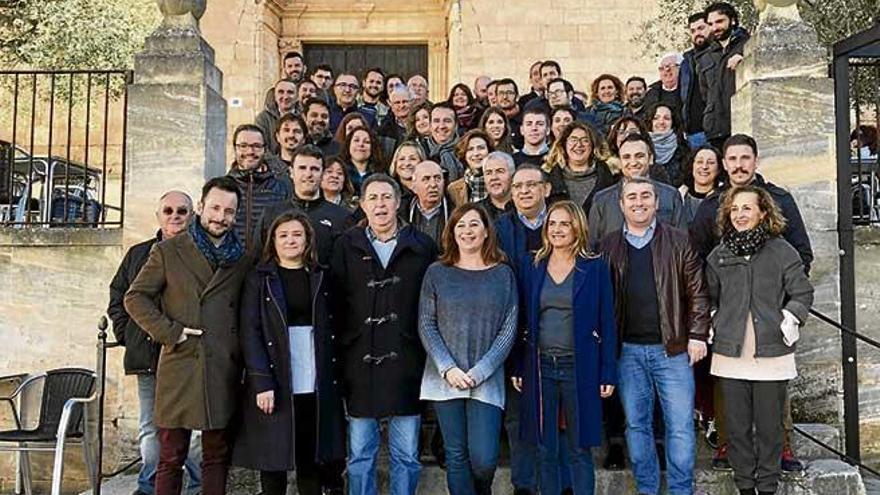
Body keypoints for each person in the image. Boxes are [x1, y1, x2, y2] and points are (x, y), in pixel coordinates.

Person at [687, 134, 813, 473]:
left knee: (775, 383)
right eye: (733, 159)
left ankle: (782, 446)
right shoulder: (710, 207)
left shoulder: (780, 199)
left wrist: (785, 308)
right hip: (727, 314)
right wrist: (711, 310)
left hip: (771, 315)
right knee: (726, 382)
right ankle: (728, 442)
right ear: (724, 164)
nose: (739, 165)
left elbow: (802, 253)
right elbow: (696, 260)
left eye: (745, 158)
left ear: (755, 160)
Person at [124, 177, 251, 495]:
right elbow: (134, 297)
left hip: (223, 364)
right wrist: (170, 332)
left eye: (229, 211)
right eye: (216, 207)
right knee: (170, 457)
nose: (221, 216)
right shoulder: (168, 251)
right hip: (180, 364)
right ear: (202, 207)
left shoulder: (243, 257)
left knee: (217, 455)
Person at [599, 177, 710, 495]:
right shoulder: (606, 247)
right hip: (628, 352)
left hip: (672, 351)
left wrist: (698, 334)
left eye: (646, 195)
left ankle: (680, 490)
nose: (639, 202)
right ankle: (647, 489)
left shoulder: (679, 241)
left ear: (657, 202)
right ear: (621, 205)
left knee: (679, 426)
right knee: (636, 424)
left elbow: (698, 292)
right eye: (631, 197)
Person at [329, 174, 438, 495]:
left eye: (386, 197)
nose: (380, 205)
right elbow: (335, 302)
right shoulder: (345, 245)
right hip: (359, 362)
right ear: (362, 204)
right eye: (373, 198)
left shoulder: (421, 246)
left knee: (406, 454)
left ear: (398, 202)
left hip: (406, 362)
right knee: (361, 454)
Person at [706, 186, 814, 495]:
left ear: (763, 212)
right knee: (737, 430)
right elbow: (708, 295)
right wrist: (714, 320)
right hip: (730, 355)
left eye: (747, 208)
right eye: (735, 209)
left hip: (772, 355)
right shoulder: (719, 255)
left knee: (770, 429)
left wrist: (790, 318)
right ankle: (744, 487)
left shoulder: (782, 251)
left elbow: (802, 292)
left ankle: (767, 487)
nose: (740, 214)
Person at [233, 212, 346, 495]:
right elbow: (250, 331)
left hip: (313, 373)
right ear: (273, 240)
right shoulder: (259, 279)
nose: (290, 240)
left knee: (310, 458)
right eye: (283, 235)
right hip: (275, 374)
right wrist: (262, 382)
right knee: (273, 461)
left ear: (308, 239)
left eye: (297, 234)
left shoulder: (321, 275)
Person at [514, 201, 618, 495]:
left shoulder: (595, 267)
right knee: (545, 449)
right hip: (540, 366)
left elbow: (607, 322)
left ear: (577, 228)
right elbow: (524, 319)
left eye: (564, 224)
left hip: (579, 367)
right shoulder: (532, 265)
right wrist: (520, 366)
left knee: (579, 448)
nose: (557, 230)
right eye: (552, 224)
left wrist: (607, 371)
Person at [418, 204, 518, 495]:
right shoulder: (437, 272)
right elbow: (426, 323)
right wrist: (448, 368)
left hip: (485, 379)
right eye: (460, 225)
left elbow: (509, 329)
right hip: (445, 378)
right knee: (456, 455)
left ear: (486, 231)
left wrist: (480, 371)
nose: (467, 231)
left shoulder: (503, 275)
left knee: (484, 460)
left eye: (474, 225)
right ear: (452, 232)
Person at [108, 191, 202, 495]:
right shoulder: (138, 254)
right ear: (158, 215)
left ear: (192, 215)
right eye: (169, 210)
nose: (175, 216)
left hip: (187, 355)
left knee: (194, 426)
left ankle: (198, 484)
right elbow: (120, 297)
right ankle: (149, 485)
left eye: (182, 211)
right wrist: (127, 334)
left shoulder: (201, 252)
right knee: (151, 425)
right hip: (148, 354)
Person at [494, 164, 550, 495]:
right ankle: (524, 485)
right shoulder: (500, 228)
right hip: (514, 331)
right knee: (517, 417)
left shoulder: (562, 225)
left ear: (545, 189)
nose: (524, 192)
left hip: (557, 331)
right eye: (518, 187)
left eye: (531, 185)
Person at [256, 145, 351, 265]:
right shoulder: (272, 214)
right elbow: (258, 259)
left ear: (322, 174)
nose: (308, 174)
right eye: (302, 168)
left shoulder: (342, 217)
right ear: (291, 172)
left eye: (314, 169)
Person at [589, 134, 686, 243]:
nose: (633, 162)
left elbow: (682, 243)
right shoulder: (602, 200)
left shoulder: (671, 196)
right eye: (626, 157)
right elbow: (593, 247)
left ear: (650, 159)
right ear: (620, 162)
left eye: (639, 156)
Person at [226, 124, 292, 251]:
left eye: (256, 146)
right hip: (231, 265)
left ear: (265, 150)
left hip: (267, 265)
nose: (250, 152)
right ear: (235, 149)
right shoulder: (221, 187)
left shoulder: (282, 187)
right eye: (243, 146)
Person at [697, 2, 751, 150]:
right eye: (711, 23)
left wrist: (746, 60)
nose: (715, 27)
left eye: (719, 21)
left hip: (742, 122)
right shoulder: (704, 58)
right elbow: (705, 94)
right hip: (715, 129)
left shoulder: (749, 45)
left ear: (732, 20)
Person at [544, 121, 617, 214]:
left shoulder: (608, 179)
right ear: (564, 144)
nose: (579, 145)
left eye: (585, 140)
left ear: (593, 145)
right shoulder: (549, 179)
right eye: (573, 140)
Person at [681, 12, 712, 148]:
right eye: (693, 30)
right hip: (693, 132)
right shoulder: (687, 61)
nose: (697, 33)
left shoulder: (721, 54)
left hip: (715, 130)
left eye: (701, 28)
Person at [406, 160, 450, 244]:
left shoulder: (454, 211)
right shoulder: (403, 213)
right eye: (426, 179)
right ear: (414, 186)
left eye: (438, 178)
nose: (433, 184)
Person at [647, 102, 690, 188]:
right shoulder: (643, 147)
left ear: (673, 123)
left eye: (666, 118)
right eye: (656, 118)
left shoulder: (683, 149)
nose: (661, 122)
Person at [447, 129, 493, 207]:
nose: (476, 153)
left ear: (489, 151)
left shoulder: (502, 183)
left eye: (481, 148)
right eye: (470, 149)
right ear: (464, 155)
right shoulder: (453, 189)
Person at [681, 145, 724, 224]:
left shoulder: (725, 197)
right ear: (692, 165)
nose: (704, 167)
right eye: (700, 162)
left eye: (711, 163)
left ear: (719, 169)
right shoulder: (678, 197)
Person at [422, 103, 464, 182]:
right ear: (430, 126)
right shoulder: (420, 151)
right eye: (436, 121)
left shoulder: (466, 150)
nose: (441, 126)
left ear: (456, 126)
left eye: (447, 121)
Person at [339, 126, 386, 195]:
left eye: (367, 142)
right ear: (348, 145)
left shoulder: (382, 175)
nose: (361, 144)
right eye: (356, 140)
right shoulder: (339, 171)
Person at [257, 79, 298, 155]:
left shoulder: (304, 116)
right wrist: (278, 165)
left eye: (290, 92)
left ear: (297, 97)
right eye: (281, 92)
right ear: (275, 96)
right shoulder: (263, 118)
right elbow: (260, 146)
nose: (285, 97)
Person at [642, 53, 685, 124]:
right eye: (662, 68)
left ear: (681, 68)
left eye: (670, 67)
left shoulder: (689, 90)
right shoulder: (651, 93)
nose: (666, 71)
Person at [478, 151, 516, 221]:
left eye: (500, 171)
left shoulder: (524, 208)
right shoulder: (476, 211)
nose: (494, 177)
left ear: (512, 176)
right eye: (488, 173)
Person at [389, 140, 427, 205]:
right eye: (402, 159)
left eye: (412, 159)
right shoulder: (389, 191)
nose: (407, 163)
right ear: (395, 163)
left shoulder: (430, 188)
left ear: (422, 162)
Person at [495, 78, 524, 148]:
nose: (505, 97)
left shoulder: (525, 119)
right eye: (501, 93)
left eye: (509, 93)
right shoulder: (490, 119)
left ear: (517, 96)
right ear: (496, 97)